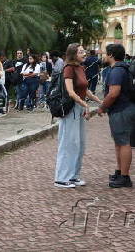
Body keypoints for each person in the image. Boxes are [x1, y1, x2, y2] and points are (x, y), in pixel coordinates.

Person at [54, 43, 102, 188]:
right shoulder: (68, 69)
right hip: (71, 109)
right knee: (68, 143)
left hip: (79, 107)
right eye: (81, 51)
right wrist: (85, 105)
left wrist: (99, 101)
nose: (84, 53)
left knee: (79, 144)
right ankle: (61, 178)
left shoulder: (81, 68)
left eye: (84, 51)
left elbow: (85, 89)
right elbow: (70, 92)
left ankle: (73, 175)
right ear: (73, 54)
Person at [98, 44, 135, 188]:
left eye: (106, 53)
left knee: (124, 143)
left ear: (111, 55)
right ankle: (119, 172)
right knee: (119, 142)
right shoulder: (123, 68)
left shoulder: (116, 71)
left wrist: (102, 107)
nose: (104, 56)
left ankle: (125, 177)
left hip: (121, 110)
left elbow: (113, 93)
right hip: (124, 108)